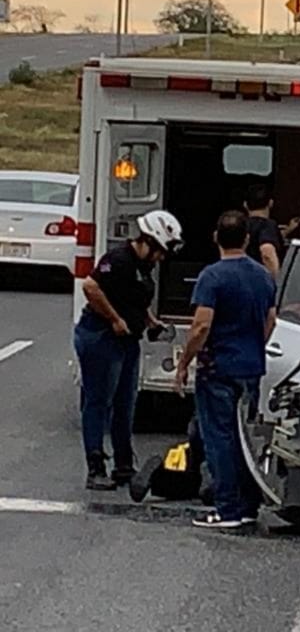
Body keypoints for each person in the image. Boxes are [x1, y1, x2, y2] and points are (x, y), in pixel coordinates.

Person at [176, 211, 278, 530]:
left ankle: (227, 508)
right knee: (245, 438)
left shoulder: (212, 277)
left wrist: (183, 364)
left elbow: (201, 326)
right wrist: (253, 344)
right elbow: (271, 320)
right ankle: (249, 505)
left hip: (217, 368)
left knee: (219, 438)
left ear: (215, 237)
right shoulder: (263, 276)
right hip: (250, 368)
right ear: (247, 239)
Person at [75, 210, 184, 490]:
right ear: (147, 240)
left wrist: (149, 320)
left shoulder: (143, 267)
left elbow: (133, 296)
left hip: (128, 340)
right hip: (101, 337)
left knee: (126, 403)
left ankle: (124, 465)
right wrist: (114, 319)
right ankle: (95, 467)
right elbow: (91, 286)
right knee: (99, 402)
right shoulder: (119, 259)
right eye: (159, 251)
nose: (161, 258)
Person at [244, 185, 294, 278]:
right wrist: (277, 281)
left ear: (245, 205)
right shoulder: (267, 225)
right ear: (271, 203)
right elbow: (267, 251)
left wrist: (287, 230)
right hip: (260, 280)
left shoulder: (240, 225)